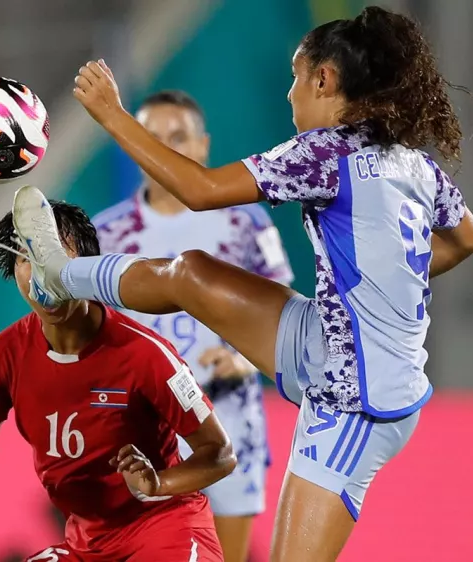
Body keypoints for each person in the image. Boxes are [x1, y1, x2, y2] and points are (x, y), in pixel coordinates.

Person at [15, 6, 473, 560]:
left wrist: (113, 116)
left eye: (296, 77)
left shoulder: (324, 152)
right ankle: (58, 277)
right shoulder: (414, 164)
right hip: (325, 341)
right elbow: (465, 238)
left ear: (324, 80)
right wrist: (388, 282)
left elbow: (201, 189)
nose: (289, 95)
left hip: (356, 403)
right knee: (190, 273)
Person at [0, 201, 237, 562]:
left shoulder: (144, 353)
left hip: (164, 528)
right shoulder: (5, 352)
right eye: (25, 258)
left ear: (86, 267)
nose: (40, 271)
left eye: (55, 255)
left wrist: (158, 483)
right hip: (87, 545)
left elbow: (220, 454)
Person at [93, 89, 294, 562]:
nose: (164, 148)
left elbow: (282, 313)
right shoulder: (105, 234)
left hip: (231, 423)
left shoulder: (246, 224)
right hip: (139, 433)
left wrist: (243, 358)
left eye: (178, 138)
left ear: (203, 146)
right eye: (150, 137)